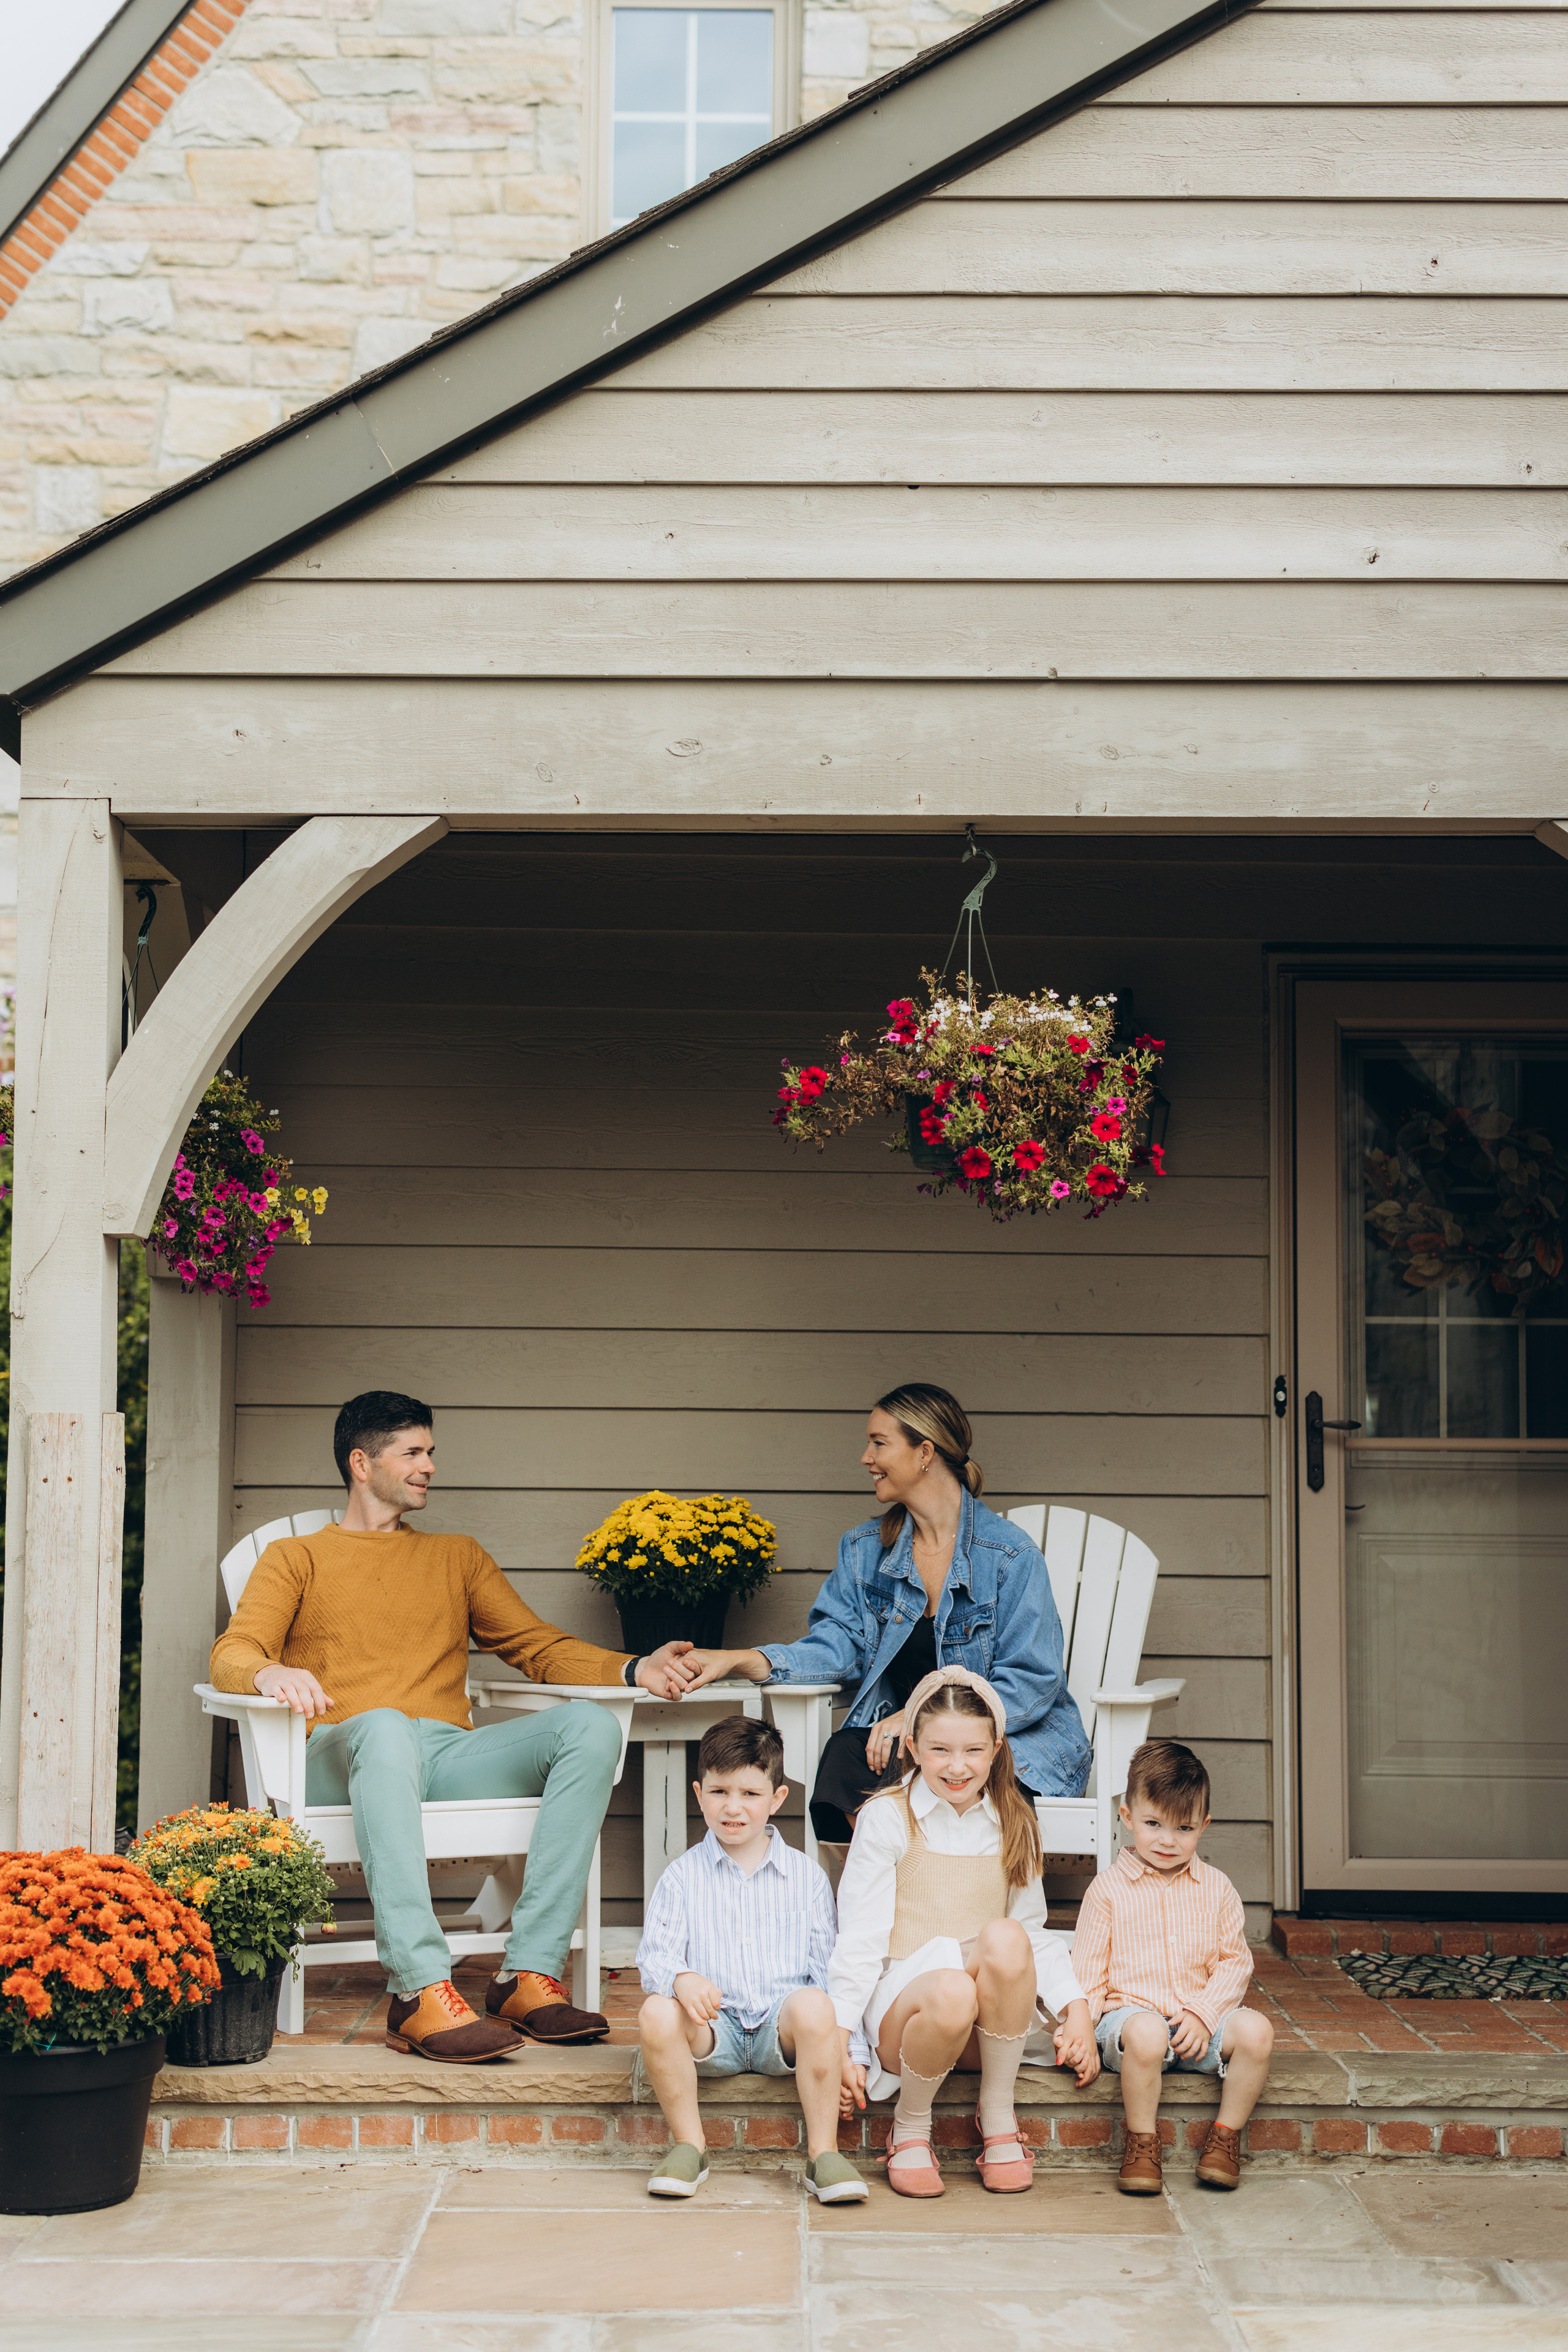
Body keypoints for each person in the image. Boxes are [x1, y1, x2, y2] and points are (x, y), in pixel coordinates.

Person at [209, 1390, 698, 2064]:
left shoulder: (456, 1557)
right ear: (361, 1463)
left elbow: (537, 1645)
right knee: (383, 1726)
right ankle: (417, 1988)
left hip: (442, 1753)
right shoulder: (296, 1558)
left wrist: (635, 1668)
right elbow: (232, 1652)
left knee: (587, 1727)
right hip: (341, 1754)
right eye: (412, 1452)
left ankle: (527, 1975)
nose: (429, 1465)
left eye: (430, 1452)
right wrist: (266, 1675)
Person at [682, 1383, 1091, 1847]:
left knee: (964, 1769)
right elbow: (838, 1646)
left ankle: (949, 1902)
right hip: (904, 1745)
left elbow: (1033, 1680)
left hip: (1007, 1743)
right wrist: (737, 1659)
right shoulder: (864, 1551)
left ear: (924, 1453)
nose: (866, 1457)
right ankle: (878, 1902)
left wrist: (922, 1717)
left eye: (879, 1443)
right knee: (845, 1757)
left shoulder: (1009, 1557)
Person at [827, 1667, 1096, 2197]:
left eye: (973, 1751)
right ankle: (909, 2126)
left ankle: (996, 2112)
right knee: (951, 1986)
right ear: (912, 1747)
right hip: (909, 2024)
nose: (957, 1767)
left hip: (989, 2031)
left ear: (996, 1749)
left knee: (1006, 1936)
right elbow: (858, 1939)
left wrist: (1077, 2010)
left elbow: (1034, 1935)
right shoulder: (887, 1819)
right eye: (940, 1750)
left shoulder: (1014, 1819)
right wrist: (840, 2039)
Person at [632, 1716, 869, 2204]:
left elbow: (832, 1973)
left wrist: (850, 2055)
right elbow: (655, 1955)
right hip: (712, 2032)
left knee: (816, 2004)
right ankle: (689, 2145)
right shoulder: (681, 1877)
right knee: (656, 2010)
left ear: (777, 1799)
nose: (733, 1808)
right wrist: (681, 1977)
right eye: (719, 1792)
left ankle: (823, 2152)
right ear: (699, 1794)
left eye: (750, 1794)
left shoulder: (806, 1878)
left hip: (778, 2033)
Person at [1069, 1738, 1273, 2194]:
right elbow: (1088, 1972)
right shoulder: (1107, 1891)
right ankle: (1142, 2143)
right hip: (1131, 2026)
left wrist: (1205, 2012)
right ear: (1127, 1818)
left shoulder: (1216, 1888)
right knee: (1147, 2031)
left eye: (1183, 1828)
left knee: (1258, 2031)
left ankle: (1224, 2139)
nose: (1167, 1840)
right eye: (1153, 1823)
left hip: (1197, 2027)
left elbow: (1235, 1963)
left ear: (1203, 1825)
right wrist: (1079, 2027)